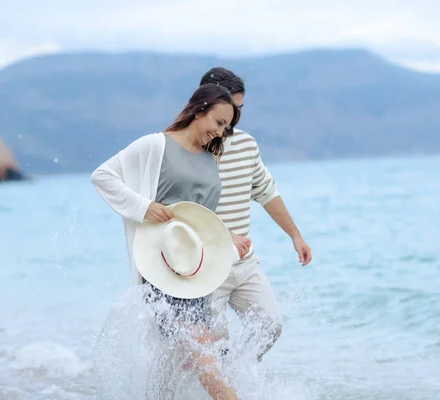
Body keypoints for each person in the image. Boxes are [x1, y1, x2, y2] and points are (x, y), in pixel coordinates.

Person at [91, 83, 242, 400]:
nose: (220, 131)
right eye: (218, 122)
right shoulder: (155, 146)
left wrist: (227, 240)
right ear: (199, 110)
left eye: (226, 127)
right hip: (160, 269)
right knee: (204, 359)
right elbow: (103, 176)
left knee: (178, 364)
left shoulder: (210, 159)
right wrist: (143, 207)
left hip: (195, 273)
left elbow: (199, 217)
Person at [199, 68, 313, 361]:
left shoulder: (246, 144)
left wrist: (295, 235)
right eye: (230, 110)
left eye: (239, 110)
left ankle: (234, 379)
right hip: (205, 266)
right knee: (212, 344)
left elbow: (266, 192)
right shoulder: (189, 148)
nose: (235, 119)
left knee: (269, 325)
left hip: (243, 263)